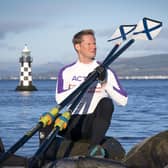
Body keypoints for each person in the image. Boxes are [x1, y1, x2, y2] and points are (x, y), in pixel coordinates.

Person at [39, 29, 128, 158]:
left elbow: (123, 101)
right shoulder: (67, 71)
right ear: (78, 46)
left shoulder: (105, 70)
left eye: (95, 43)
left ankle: (93, 150)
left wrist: (104, 82)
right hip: (72, 123)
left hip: (93, 124)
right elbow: (60, 99)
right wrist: (83, 84)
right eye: (89, 44)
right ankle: (44, 158)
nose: (94, 47)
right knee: (45, 119)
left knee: (107, 103)